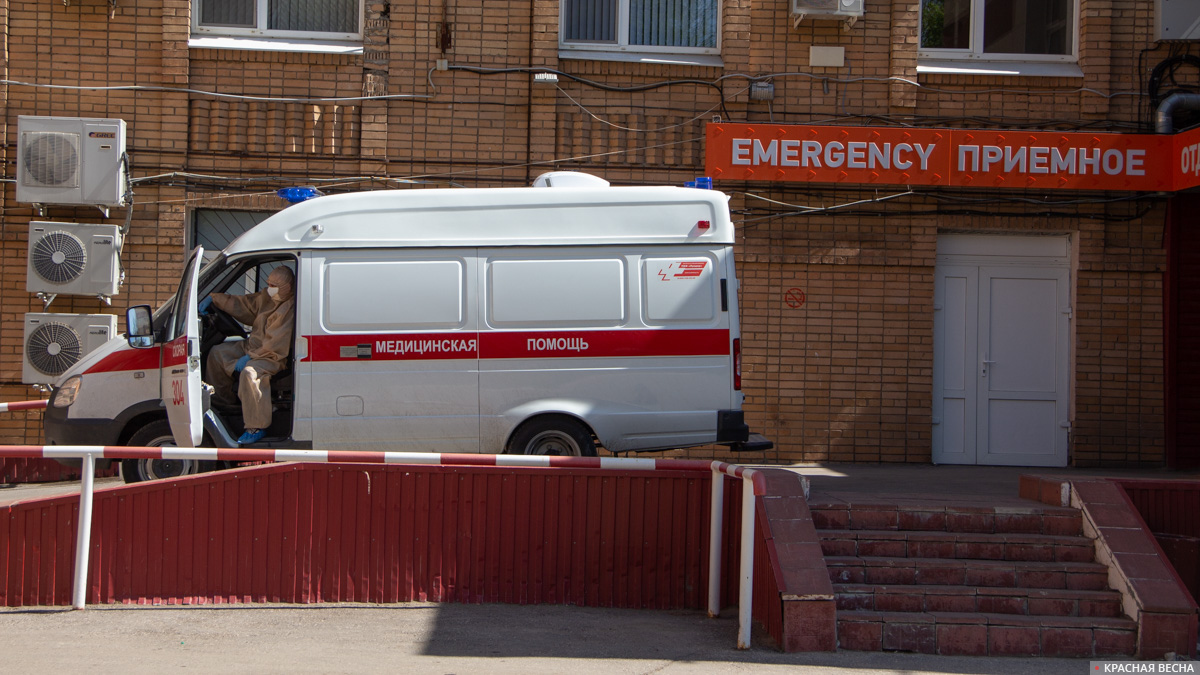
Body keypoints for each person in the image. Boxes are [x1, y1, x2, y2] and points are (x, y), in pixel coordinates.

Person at [200, 266, 295, 445]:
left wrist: (251, 357)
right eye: (268, 284)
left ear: (288, 287)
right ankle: (223, 404)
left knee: (250, 374)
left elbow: (275, 345)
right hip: (253, 346)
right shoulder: (269, 297)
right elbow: (245, 304)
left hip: (271, 355)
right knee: (217, 354)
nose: (269, 288)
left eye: (274, 285)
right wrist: (215, 299)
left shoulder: (288, 309)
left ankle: (256, 426)